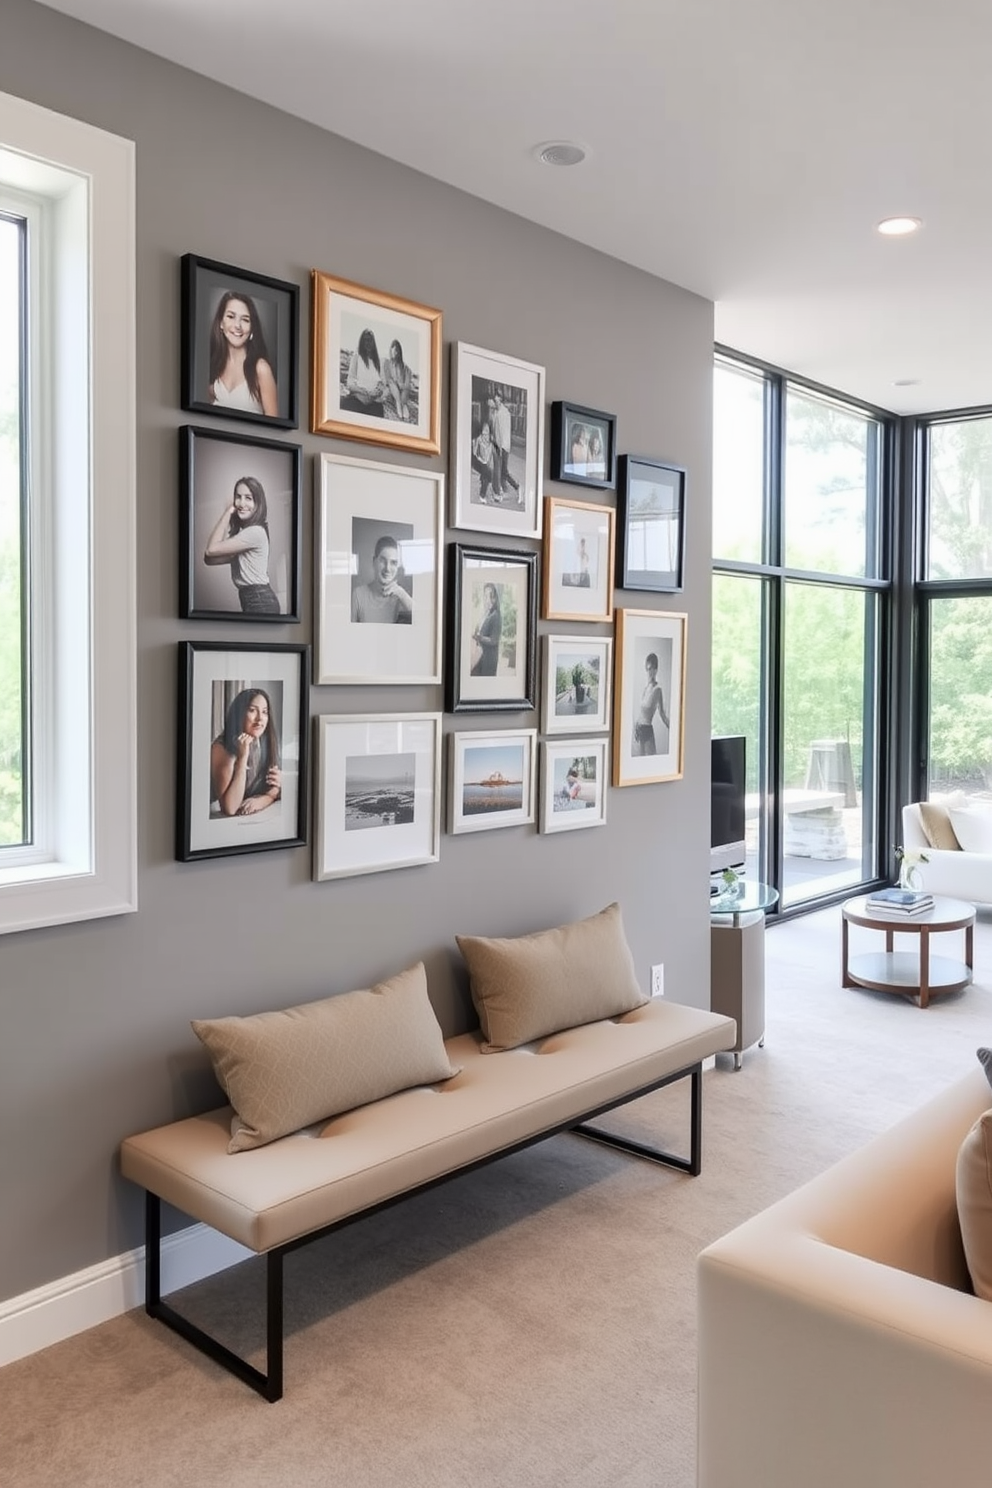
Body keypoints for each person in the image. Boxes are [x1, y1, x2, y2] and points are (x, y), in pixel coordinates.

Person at [203, 475, 280, 615]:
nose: (241, 503)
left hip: (260, 600)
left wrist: (228, 511)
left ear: (258, 504)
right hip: (253, 599)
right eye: (238, 497)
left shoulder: (254, 533)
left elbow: (211, 550)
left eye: (248, 498)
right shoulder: (244, 536)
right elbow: (209, 559)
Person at [210, 688, 281, 816]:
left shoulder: (264, 740)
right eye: (252, 710)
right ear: (239, 714)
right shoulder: (221, 747)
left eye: (265, 712)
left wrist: (263, 800)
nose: (260, 719)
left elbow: (275, 788)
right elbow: (230, 808)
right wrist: (242, 758)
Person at [207, 291, 278, 417]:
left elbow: (275, 429)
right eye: (231, 316)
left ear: (252, 327)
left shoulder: (261, 368)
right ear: (221, 323)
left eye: (245, 320)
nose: (237, 325)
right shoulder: (213, 366)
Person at [351, 534, 413, 623]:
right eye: (383, 561)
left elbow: (424, 620)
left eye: (393, 562)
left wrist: (400, 592)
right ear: (374, 561)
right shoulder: (358, 594)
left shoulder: (399, 597)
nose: (387, 568)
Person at [342, 328, 387, 416]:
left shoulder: (379, 362)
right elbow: (350, 382)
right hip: (357, 399)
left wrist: (377, 392)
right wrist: (362, 391)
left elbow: (383, 384)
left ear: (373, 342)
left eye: (370, 340)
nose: (368, 343)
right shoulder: (356, 358)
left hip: (374, 402)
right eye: (365, 340)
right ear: (362, 342)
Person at [633, 652, 670, 755]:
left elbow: (662, 714)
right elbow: (640, 712)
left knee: (650, 762)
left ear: (656, 670)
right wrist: (635, 726)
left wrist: (674, 729)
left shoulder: (658, 690)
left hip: (647, 730)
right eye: (648, 669)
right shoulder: (645, 688)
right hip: (639, 730)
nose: (650, 672)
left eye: (653, 668)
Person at [491, 389, 520, 502]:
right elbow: (495, 430)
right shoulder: (496, 412)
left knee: (503, 471)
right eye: (494, 397)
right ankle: (500, 493)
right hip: (497, 445)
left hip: (503, 446)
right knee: (498, 470)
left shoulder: (504, 413)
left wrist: (502, 447)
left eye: (496, 397)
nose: (494, 399)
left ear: (500, 399)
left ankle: (516, 487)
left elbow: (504, 432)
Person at [471, 582, 502, 676]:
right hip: (480, 657)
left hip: (488, 660)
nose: (486, 599)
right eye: (484, 596)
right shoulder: (485, 614)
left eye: (488, 596)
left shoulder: (496, 616)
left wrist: (479, 637)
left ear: (494, 598)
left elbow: (494, 640)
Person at [382, 339, 413, 422]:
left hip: (401, 389)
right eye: (392, 351)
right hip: (390, 388)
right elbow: (388, 379)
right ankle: (399, 404)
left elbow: (406, 385)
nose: (394, 354)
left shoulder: (404, 367)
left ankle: (402, 404)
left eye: (396, 351)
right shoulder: (387, 363)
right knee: (392, 383)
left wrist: (401, 385)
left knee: (404, 386)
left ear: (399, 352)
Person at [471, 414, 496, 502]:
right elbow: (474, 453)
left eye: (487, 431)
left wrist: (487, 463)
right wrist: (480, 460)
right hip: (477, 461)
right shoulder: (478, 440)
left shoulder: (491, 443)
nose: (485, 433)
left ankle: (484, 494)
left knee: (487, 474)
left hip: (485, 463)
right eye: (484, 431)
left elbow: (490, 457)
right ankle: (483, 495)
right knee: (488, 474)